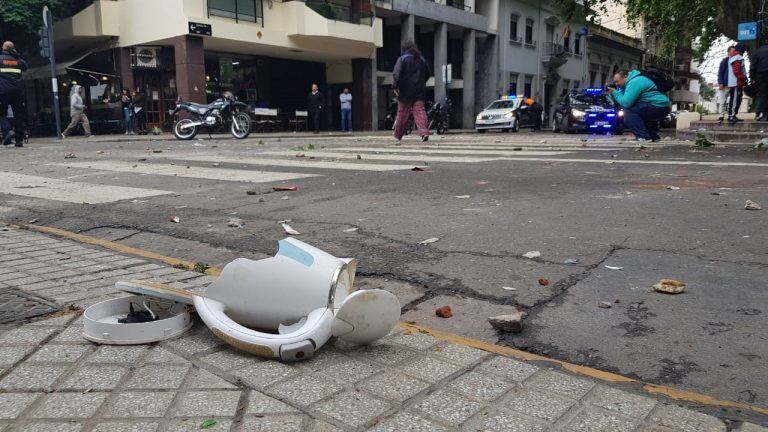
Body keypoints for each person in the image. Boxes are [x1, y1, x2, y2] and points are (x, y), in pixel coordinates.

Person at [607, 70, 671, 142]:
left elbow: (626, 103)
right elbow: (620, 101)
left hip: (658, 105)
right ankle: (653, 137)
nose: (616, 84)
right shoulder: (629, 83)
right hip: (662, 105)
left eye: (617, 81)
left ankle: (643, 137)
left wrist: (615, 92)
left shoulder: (635, 82)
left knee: (629, 112)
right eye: (614, 82)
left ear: (625, 77)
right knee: (638, 119)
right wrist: (612, 93)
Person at [392, 40, 430, 142]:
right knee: (420, 111)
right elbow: (428, 73)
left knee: (402, 113)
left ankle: (398, 135)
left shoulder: (402, 59)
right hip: (419, 90)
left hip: (405, 90)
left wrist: (395, 86)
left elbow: (396, 74)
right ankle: (424, 133)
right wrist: (421, 82)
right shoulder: (422, 59)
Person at [0, 41, 27, 147]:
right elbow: (25, 67)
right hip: (18, 91)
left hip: (3, 91)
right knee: (18, 115)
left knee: (2, 113)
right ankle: (19, 140)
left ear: (3, 48)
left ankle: (8, 131)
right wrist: (17, 56)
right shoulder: (18, 60)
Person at [725, 43, 748, 124]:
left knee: (734, 99)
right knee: (735, 100)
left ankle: (732, 115)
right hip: (736, 83)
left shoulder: (732, 57)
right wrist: (744, 77)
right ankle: (732, 116)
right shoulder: (737, 57)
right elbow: (737, 71)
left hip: (734, 83)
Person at [750, 41, 768, 121]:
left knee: (763, 95)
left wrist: (752, 78)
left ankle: (765, 115)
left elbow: (753, 66)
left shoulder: (758, 51)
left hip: (761, 75)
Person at [716, 46, 735, 124]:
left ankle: (731, 115)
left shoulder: (736, 60)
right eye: (733, 51)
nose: (734, 52)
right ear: (729, 52)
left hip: (733, 85)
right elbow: (720, 72)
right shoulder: (724, 61)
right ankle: (721, 116)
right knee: (722, 101)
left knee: (732, 101)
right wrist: (720, 82)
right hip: (724, 85)